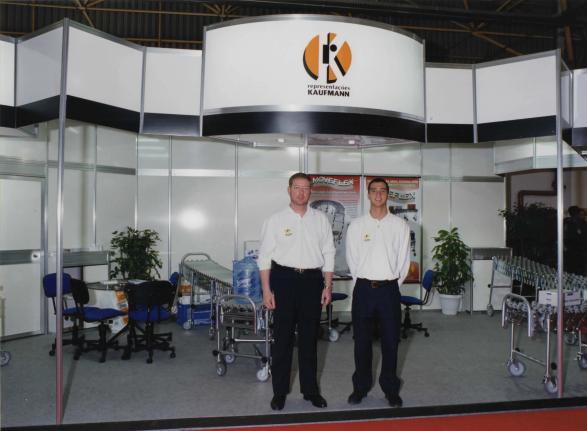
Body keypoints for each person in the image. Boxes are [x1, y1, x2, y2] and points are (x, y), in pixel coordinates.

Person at [258, 172, 335, 411]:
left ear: (311, 191)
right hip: (284, 280)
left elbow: (329, 253)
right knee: (282, 339)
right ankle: (279, 392)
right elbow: (264, 258)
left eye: (306, 188)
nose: (301, 192)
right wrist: (266, 290)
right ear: (289, 190)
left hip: (312, 281)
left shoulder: (321, 220)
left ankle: (310, 391)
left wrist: (328, 286)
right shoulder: (275, 220)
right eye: (297, 187)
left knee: (309, 339)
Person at [345, 177, 411, 408]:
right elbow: (352, 259)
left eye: (383, 190)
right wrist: (365, 281)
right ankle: (360, 388)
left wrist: (390, 284)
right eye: (374, 190)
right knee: (361, 342)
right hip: (363, 289)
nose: (378, 194)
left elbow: (403, 262)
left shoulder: (400, 226)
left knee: (391, 342)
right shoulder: (357, 226)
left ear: (388, 194)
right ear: (368, 194)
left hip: (389, 291)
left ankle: (390, 389)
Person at [564, 205, 586, 276]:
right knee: (579, 269)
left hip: (569, 248)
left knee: (571, 268)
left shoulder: (566, 221)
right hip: (579, 249)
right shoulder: (581, 222)